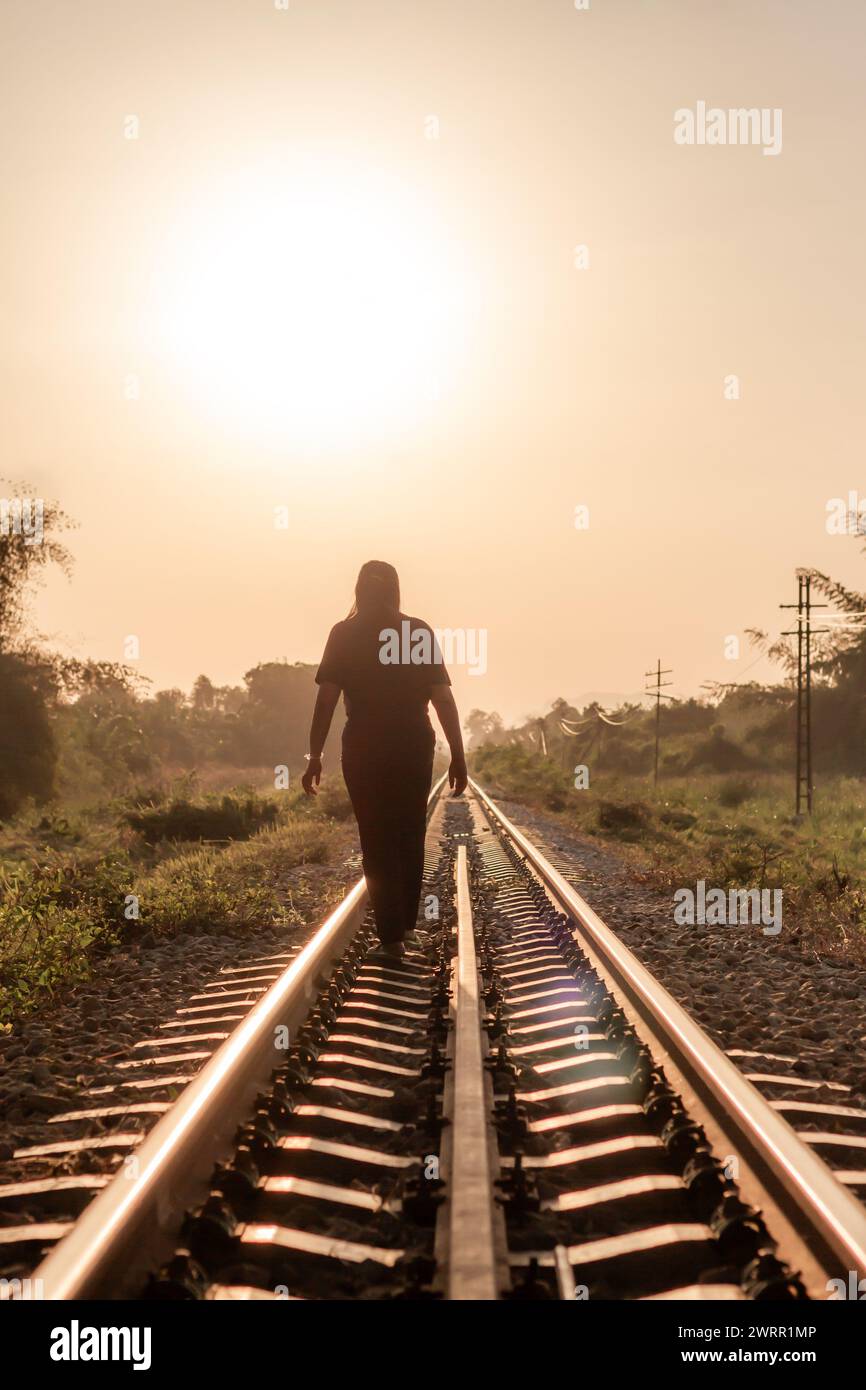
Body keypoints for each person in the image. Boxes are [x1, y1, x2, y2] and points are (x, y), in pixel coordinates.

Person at [302, 561, 468, 960]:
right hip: (413, 744)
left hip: (364, 745)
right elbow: (442, 698)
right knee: (409, 833)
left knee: (375, 837)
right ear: (395, 589)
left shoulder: (343, 634)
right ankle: (406, 927)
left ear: (359, 590)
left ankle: (392, 938)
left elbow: (326, 700)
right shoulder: (417, 631)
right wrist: (458, 756)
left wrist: (315, 756)